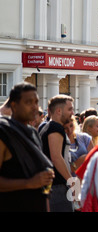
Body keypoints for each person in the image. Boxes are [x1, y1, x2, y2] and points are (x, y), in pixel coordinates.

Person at [0, 82, 54, 212]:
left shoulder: (33, 133)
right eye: (29, 102)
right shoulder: (4, 131)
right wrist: (28, 183)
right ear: (14, 105)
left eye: (36, 102)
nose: (35, 107)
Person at [39, 95, 75, 212]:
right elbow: (56, 157)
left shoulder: (46, 126)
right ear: (59, 111)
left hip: (51, 186)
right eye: (70, 109)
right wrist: (72, 182)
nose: (72, 113)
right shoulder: (55, 127)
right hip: (58, 186)